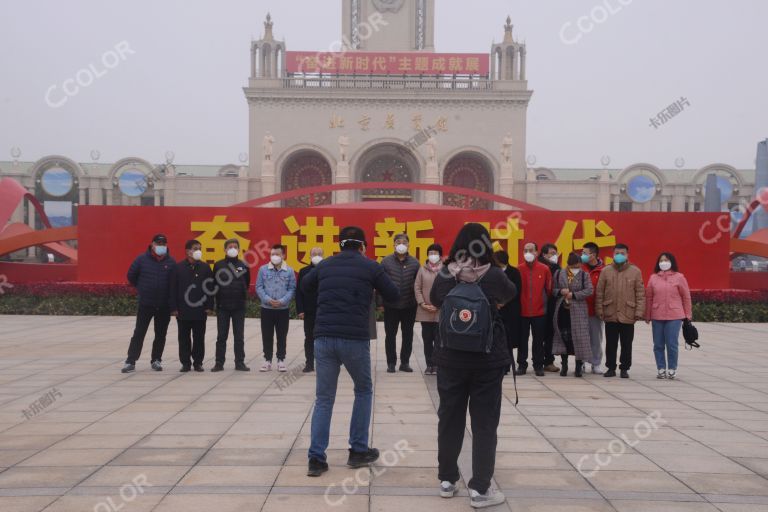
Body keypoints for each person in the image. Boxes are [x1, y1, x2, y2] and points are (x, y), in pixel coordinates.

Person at [430, 223, 517, 509]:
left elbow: (434, 299)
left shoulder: (447, 271)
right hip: (486, 360)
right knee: (484, 424)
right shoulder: (492, 273)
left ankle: (447, 480)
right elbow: (510, 293)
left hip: (450, 357)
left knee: (450, 418)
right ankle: (480, 489)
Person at [302, 226, 399, 477]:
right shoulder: (370, 267)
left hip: (323, 338)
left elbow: (305, 286)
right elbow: (393, 294)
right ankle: (357, 450)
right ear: (363, 246)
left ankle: (316, 458)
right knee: (363, 390)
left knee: (324, 398)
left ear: (340, 244)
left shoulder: (324, 266)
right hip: (354, 339)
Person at [122, 234, 176, 373]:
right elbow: (131, 276)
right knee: (139, 332)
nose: (161, 246)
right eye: (158, 243)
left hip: (164, 305)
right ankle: (130, 361)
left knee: (160, 334)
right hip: (146, 303)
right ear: (152, 244)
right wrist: (142, 289)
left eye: (163, 243)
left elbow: (174, 283)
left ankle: (156, 360)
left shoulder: (171, 262)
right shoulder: (142, 259)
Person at [595, 244, 645, 378]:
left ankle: (624, 368)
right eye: (617, 253)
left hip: (628, 312)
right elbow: (600, 292)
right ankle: (610, 367)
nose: (619, 255)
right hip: (610, 311)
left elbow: (640, 293)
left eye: (622, 253)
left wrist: (639, 312)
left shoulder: (635, 271)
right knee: (610, 343)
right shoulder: (606, 270)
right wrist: (599, 309)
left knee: (626, 343)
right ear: (613, 254)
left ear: (627, 255)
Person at [644, 253, 692, 380]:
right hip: (657, 314)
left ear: (672, 262)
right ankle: (661, 368)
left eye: (666, 260)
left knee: (671, 344)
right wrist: (647, 315)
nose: (663, 262)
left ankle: (672, 368)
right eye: (661, 260)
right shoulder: (653, 278)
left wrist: (688, 314)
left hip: (674, 315)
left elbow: (686, 296)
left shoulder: (679, 277)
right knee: (658, 344)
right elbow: (649, 297)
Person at [170, 240, 214, 372]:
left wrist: (209, 306)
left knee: (199, 337)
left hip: (200, 310)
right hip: (182, 310)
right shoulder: (178, 268)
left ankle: (198, 362)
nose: (198, 251)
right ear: (187, 251)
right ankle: (185, 363)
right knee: (183, 338)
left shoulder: (205, 267)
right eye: (195, 248)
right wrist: (173, 308)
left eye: (200, 248)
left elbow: (210, 288)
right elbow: (172, 289)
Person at [379, 233, 420, 373]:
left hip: (409, 305)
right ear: (394, 244)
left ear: (409, 244)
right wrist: (381, 302)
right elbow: (380, 283)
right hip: (391, 305)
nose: (401, 244)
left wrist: (418, 302)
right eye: (398, 242)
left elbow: (418, 285)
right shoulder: (386, 262)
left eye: (404, 242)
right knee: (390, 335)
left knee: (407, 335)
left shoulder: (415, 263)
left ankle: (405, 363)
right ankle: (391, 363)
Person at [552, 253, 594, 377]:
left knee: (579, 338)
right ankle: (564, 365)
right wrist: (560, 291)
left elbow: (589, 290)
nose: (576, 267)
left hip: (578, 310)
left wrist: (574, 295)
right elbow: (553, 290)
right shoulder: (559, 273)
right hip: (562, 310)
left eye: (577, 265)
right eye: (573, 265)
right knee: (564, 336)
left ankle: (578, 366)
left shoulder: (584, 275)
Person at [212, 239, 251, 372]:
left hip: (238, 307)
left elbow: (246, 282)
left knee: (239, 336)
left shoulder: (243, 265)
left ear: (239, 250)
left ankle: (239, 362)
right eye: (230, 247)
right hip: (223, 306)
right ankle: (219, 363)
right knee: (221, 336)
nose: (233, 249)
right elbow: (214, 285)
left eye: (235, 247)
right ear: (225, 250)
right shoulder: (218, 265)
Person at [256, 244, 296, 373]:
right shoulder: (263, 269)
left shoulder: (289, 271)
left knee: (281, 335)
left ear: (283, 255)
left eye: (278, 254)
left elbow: (292, 288)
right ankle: (267, 360)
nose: (275, 257)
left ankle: (281, 360)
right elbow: (259, 287)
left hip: (282, 309)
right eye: (272, 254)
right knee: (267, 335)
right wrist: (268, 300)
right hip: (266, 308)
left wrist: (282, 301)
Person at [517, 242, 553, 377]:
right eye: (525, 250)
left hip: (539, 312)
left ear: (537, 253)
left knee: (538, 340)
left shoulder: (544, 269)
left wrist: (542, 303)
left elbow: (548, 289)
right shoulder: (519, 269)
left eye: (531, 250)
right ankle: (521, 364)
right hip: (522, 312)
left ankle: (538, 365)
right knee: (522, 340)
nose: (528, 253)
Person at [414, 243, 444, 375]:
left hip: (440, 310)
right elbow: (417, 287)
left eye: (435, 253)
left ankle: (437, 365)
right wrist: (422, 303)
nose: (433, 256)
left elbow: (448, 289)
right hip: (425, 310)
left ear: (440, 255)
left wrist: (439, 304)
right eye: (431, 253)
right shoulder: (422, 270)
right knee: (427, 339)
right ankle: (429, 365)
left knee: (439, 339)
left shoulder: (446, 270)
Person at [494, 251, 523, 376]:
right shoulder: (493, 272)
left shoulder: (514, 272)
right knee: (498, 339)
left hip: (510, 310)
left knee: (509, 339)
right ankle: (500, 364)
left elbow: (517, 289)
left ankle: (509, 364)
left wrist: (504, 302)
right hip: (496, 310)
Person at [297, 247, 324, 373]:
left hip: (324, 311)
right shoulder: (303, 271)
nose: (316, 256)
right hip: (308, 311)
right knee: (309, 337)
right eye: (314, 254)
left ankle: (324, 363)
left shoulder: (327, 270)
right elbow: (299, 292)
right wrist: (300, 309)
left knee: (324, 338)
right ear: (309, 256)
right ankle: (309, 363)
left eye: (319, 254)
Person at [581, 242, 606, 374]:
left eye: (585, 253)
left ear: (594, 254)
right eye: (582, 253)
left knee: (596, 338)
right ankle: (582, 362)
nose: (582, 255)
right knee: (581, 338)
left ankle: (596, 363)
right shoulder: (579, 268)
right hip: (580, 309)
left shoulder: (604, 270)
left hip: (596, 310)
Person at [538, 243, 561, 373]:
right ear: (544, 254)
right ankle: (538, 361)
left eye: (555, 253)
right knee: (538, 336)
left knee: (550, 335)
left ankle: (549, 361)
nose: (554, 256)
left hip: (553, 306)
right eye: (552, 253)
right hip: (539, 306)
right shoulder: (538, 267)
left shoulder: (558, 268)